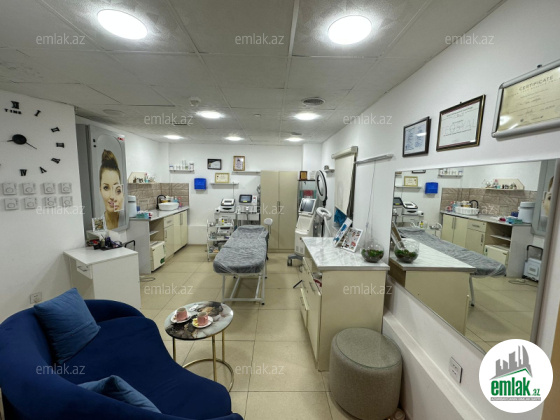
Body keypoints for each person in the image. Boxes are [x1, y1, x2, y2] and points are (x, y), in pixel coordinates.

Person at [99, 150, 123, 230]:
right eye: (106, 188)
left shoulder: (126, 220)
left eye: (116, 189)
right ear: (100, 190)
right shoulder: (99, 224)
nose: (112, 196)